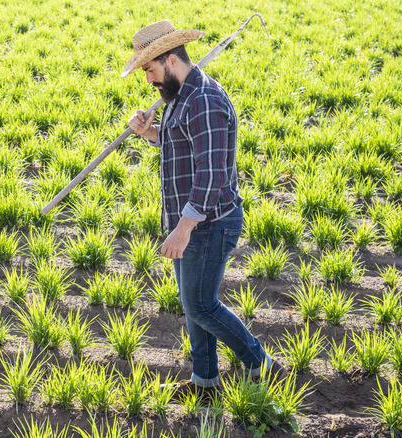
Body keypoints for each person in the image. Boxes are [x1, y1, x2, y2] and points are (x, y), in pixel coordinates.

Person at [123, 20, 287, 401]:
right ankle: (205, 382)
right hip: (192, 221)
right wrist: (148, 132)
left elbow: (210, 177)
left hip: (208, 224)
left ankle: (263, 365)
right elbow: (181, 145)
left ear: (169, 59)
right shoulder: (181, 95)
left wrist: (182, 229)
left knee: (199, 304)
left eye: (149, 69)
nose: (148, 79)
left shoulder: (205, 101)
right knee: (192, 303)